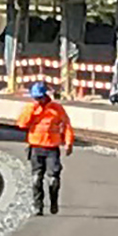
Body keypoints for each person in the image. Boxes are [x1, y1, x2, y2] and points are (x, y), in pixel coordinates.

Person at [17, 76, 75, 215]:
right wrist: (32, 110)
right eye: (35, 98)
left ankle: (53, 202)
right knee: (36, 179)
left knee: (53, 180)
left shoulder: (56, 109)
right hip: (36, 148)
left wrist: (69, 142)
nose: (38, 101)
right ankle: (38, 206)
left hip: (52, 149)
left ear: (45, 96)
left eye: (40, 98)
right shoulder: (30, 108)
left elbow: (66, 125)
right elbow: (22, 124)